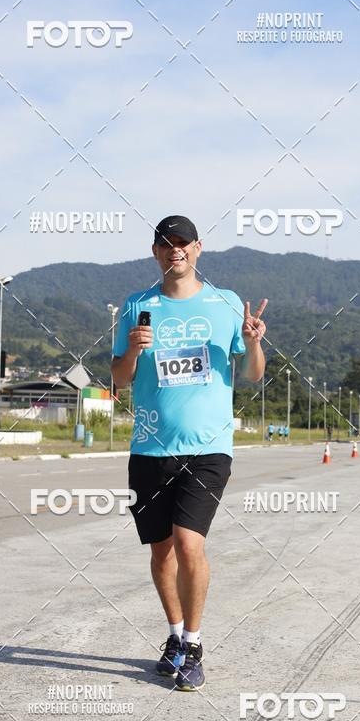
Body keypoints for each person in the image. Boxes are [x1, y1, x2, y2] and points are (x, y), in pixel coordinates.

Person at [111, 215, 266, 691]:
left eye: (182, 242)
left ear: (198, 248)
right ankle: (175, 636)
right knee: (161, 553)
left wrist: (255, 343)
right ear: (155, 251)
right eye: (165, 243)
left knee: (188, 543)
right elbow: (118, 378)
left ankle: (194, 645)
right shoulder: (137, 305)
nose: (174, 249)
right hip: (150, 448)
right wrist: (134, 352)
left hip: (208, 450)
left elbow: (254, 374)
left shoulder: (226, 304)